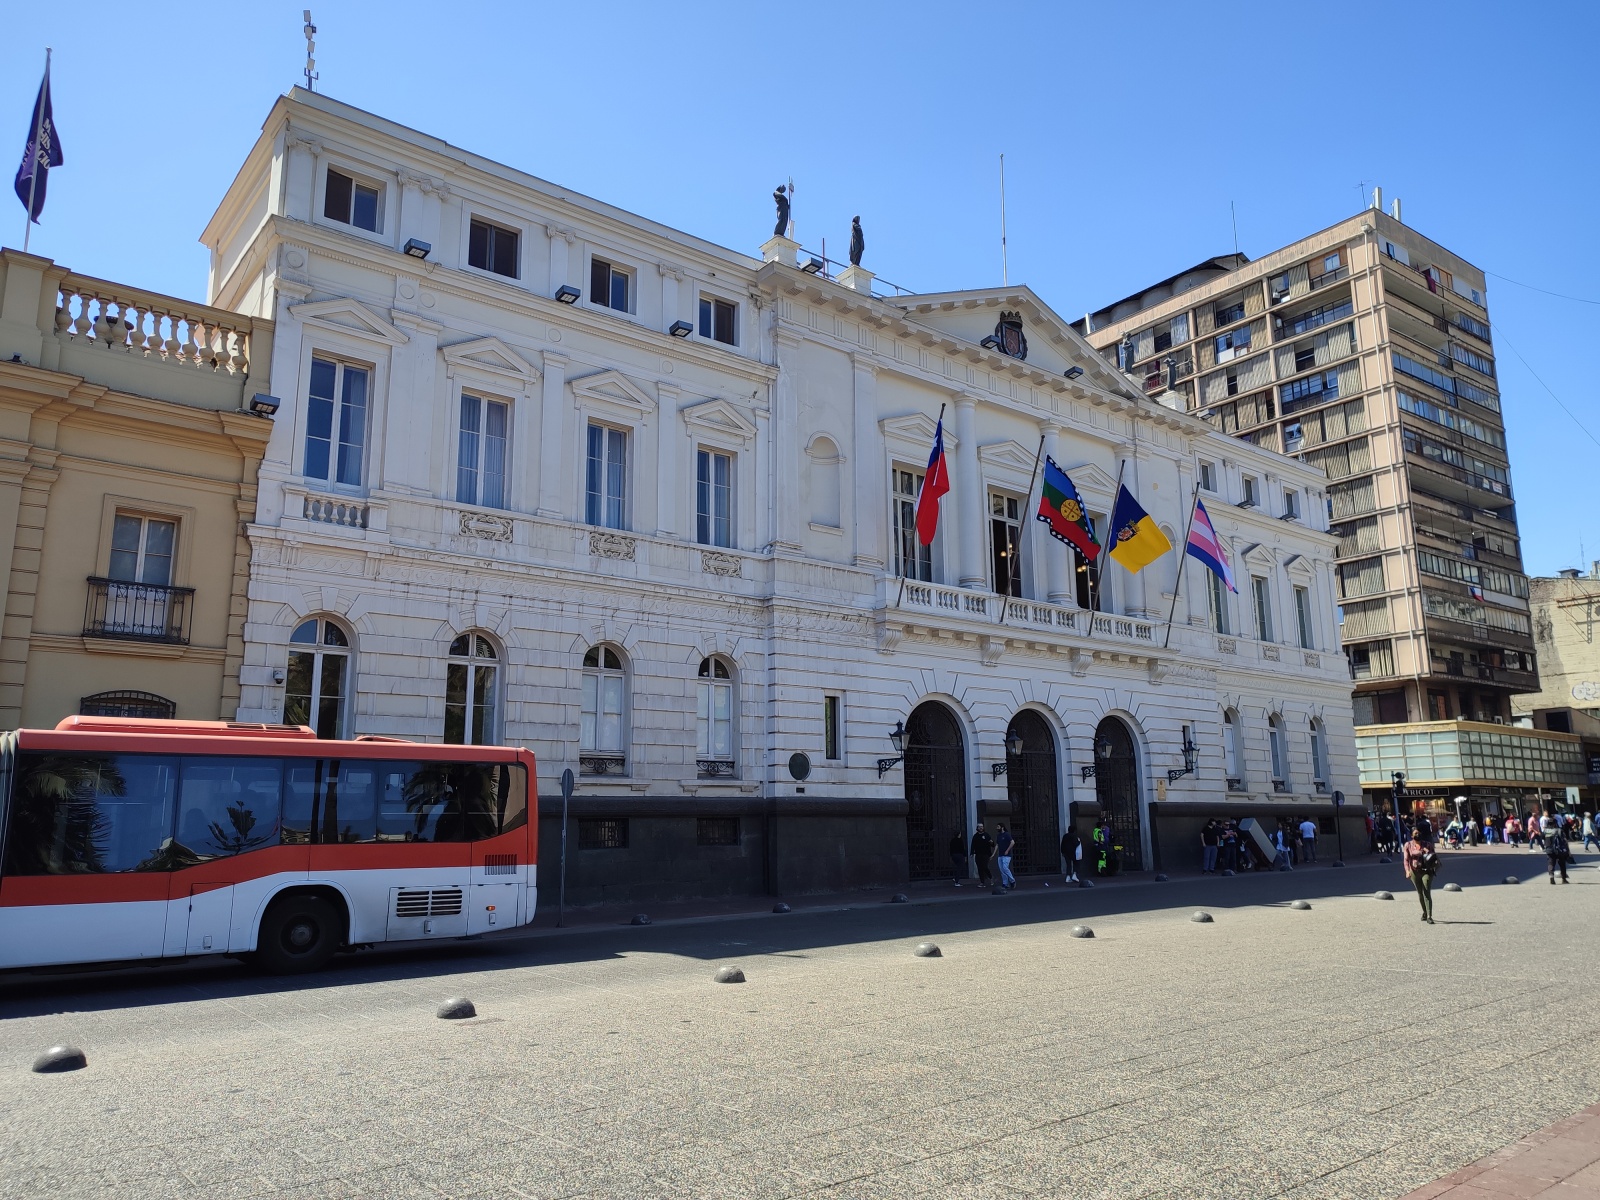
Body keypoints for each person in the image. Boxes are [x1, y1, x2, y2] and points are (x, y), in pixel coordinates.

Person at [1402, 826, 1439, 924]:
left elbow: (1434, 857)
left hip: (1427, 871)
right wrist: (1407, 871)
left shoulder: (1428, 844)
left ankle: (1429, 916)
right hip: (1414, 871)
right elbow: (1406, 859)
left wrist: (1428, 852)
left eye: (1418, 833)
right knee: (1420, 893)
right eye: (1415, 833)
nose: (1417, 835)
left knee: (1426, 891)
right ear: (1411, 835)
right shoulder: (1408, 845)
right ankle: (1425, 912)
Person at [995, 824, 1016, 890]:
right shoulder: (998, 836)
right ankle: (1005, 883)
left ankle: (1012, 881)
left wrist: (1007, 850)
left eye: (998, 827)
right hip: (1000, 855)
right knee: (1002, 870)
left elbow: (1012, 842)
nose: (997, 828)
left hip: (1006, 855)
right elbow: (997, 845)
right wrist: (993, 854)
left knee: (1005, 868)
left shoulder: (1006, 834)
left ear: (1002, 827)